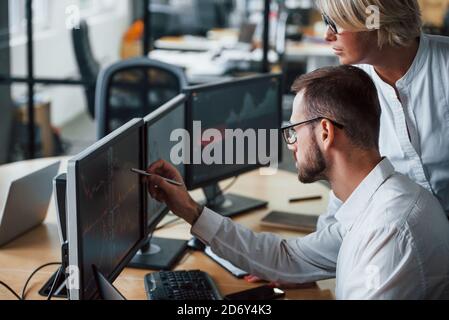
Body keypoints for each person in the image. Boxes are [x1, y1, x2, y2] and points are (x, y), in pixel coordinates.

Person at [146, 66, 449, 299]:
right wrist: (189, 209)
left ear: (326, 132)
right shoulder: (379, 204)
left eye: (293, 130)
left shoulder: (389, 230)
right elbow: (289, 258)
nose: (290, 143)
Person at [316, 0, 449, 230]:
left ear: (375, 20)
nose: (328, 35)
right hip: (403, 244)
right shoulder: (350, 88)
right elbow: (346, 191)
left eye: (336, 23)